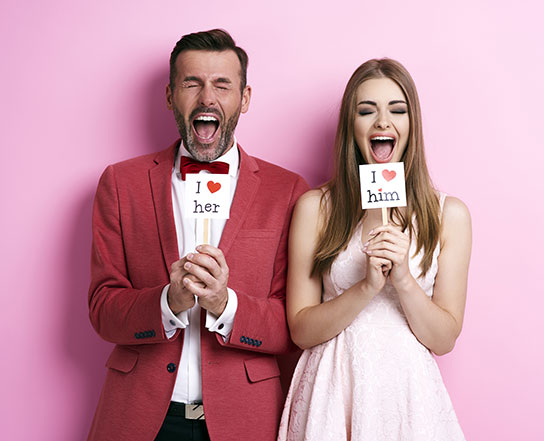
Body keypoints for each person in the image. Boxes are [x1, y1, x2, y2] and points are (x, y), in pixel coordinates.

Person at [87, 29, 308, 441]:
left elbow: (294, 325)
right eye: (192, 83)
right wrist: (167, 302)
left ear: (244, 98)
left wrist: (225, 304)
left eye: (222, 85)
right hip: (140, 416)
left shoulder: (290, 191)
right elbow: (102, 309)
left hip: (244, 420)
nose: (207, 98)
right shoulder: (121, 183)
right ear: (171, 97)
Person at [277, 58, 471, 440]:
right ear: (352, 126)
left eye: (397, 110)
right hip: (333, 389)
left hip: (407, 395)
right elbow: (300, 329)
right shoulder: (316, 208)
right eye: (367, 111)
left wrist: (403, 280)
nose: (383, 122)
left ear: (411, 124)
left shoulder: (449, 214)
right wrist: (365, 287)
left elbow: (444, 338)